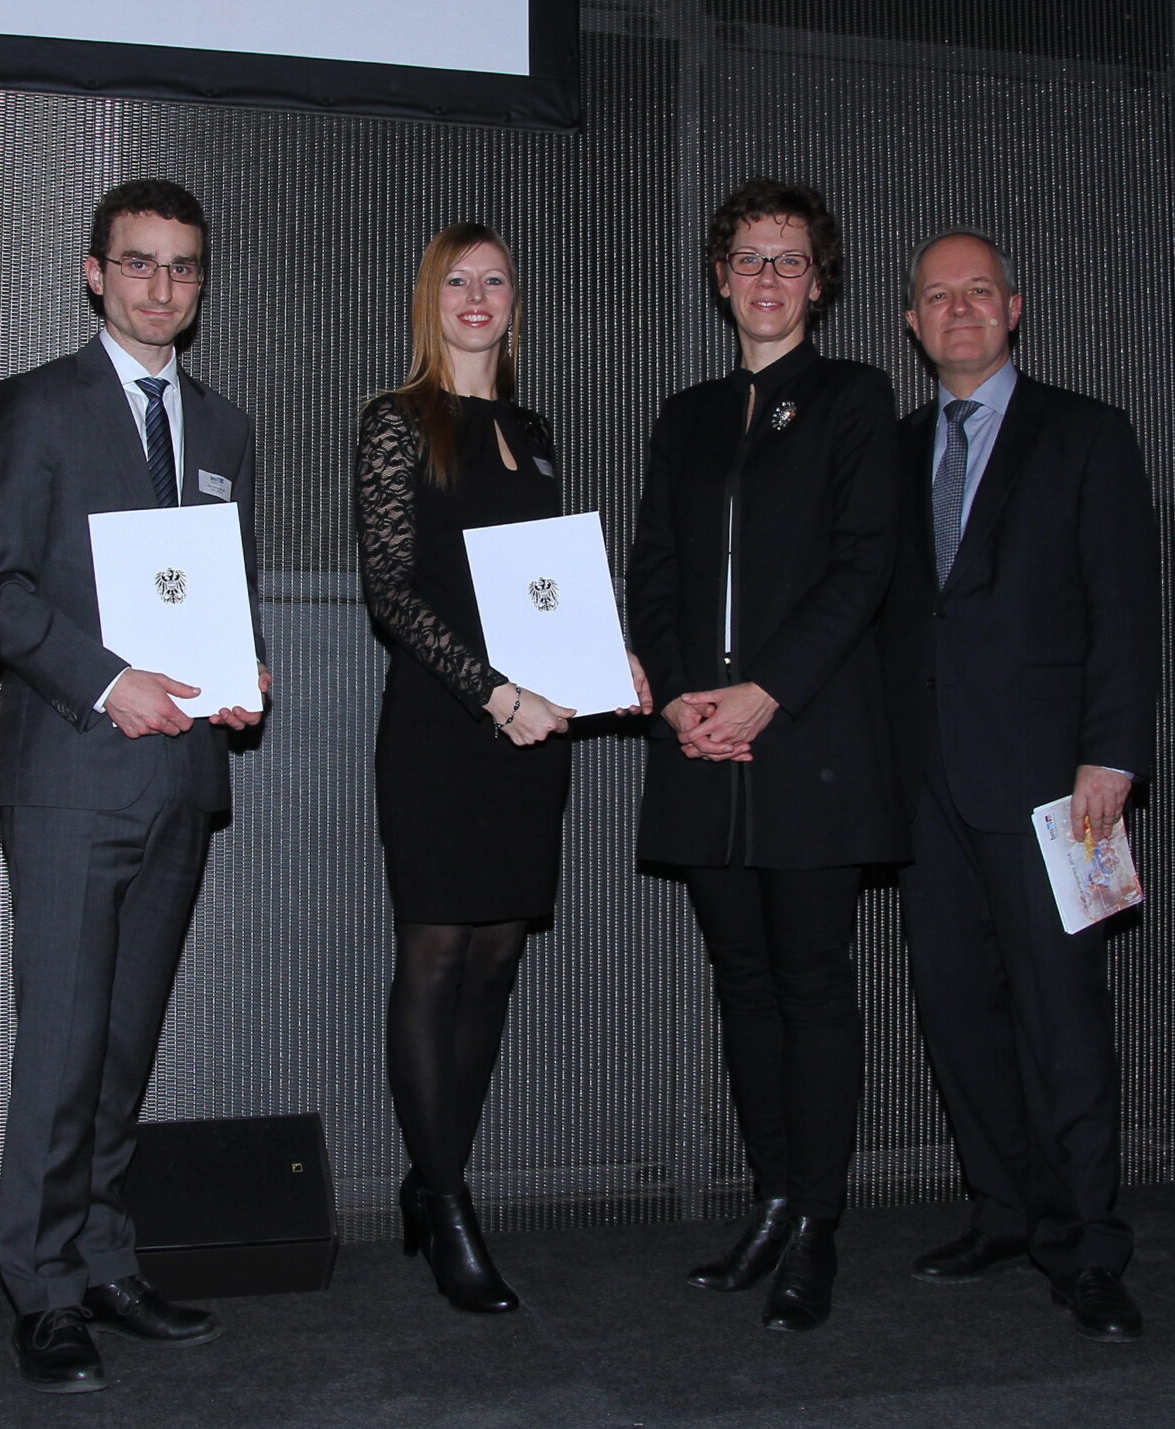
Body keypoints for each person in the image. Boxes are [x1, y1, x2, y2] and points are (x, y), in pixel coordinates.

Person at [0, 178, 267, 1392]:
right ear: (94, 272)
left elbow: (221, 589)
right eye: (137, 262)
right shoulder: (36, 406)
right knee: (62, 1048)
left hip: (181, 777)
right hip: (72, 778)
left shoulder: (225, 428)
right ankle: (40, 1288)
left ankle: (100, 1258)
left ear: (200, 283)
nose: (159, 285)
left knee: (125, 1047)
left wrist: (242, 669)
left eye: (181, 265)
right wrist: (106, 680)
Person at [356, 223, 650, 1313]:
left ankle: (431, 1177)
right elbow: (392, 591)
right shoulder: (397, 422)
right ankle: (450, 1205)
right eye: (456, 281)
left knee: (494, 964)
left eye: (493, 280)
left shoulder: (534, 432)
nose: (475, 297)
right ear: (429, 299)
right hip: (445, 732)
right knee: (434, 960)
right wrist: (493, 692)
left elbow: (546, 589)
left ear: (514, 301)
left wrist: (606, 655)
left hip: (534, 741)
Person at [627, 180, 901, 1331]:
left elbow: (863, 563)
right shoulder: (685, 414)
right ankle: (772, 1199)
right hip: (701, 745)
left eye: (788, 259)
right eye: (747, 257)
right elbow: (653, 568)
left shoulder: (855, 397)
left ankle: (817, 1221)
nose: (767, 277)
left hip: (809, 741)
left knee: (812, 983)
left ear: (819, 281)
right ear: (719, 277)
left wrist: (762, 693)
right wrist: (679, 703)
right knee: (740, 982)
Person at [879, 228, 1159, 1342]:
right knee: (956, 1014)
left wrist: (1113, 755)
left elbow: (1123, 606)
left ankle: (1087, 1247)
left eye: (977, 291)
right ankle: (1002, 1212)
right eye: (937, 296)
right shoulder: (892, 449)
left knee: (1062, 1021)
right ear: (911, 324)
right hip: (920, 789)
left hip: (1057, 789)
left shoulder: (1087, 434)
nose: (958, 309)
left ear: (1014, 307)